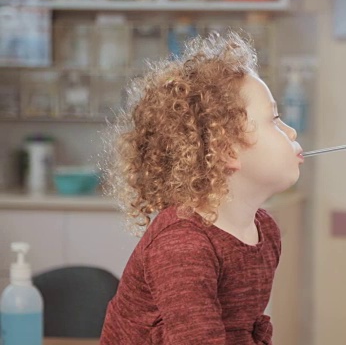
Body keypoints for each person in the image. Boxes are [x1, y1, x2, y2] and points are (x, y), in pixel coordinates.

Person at [100, 31, 303, 344]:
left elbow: (247, 331)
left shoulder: (265, 230)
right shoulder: (183, 245)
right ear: (226, 150)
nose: (290, 132)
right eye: (274, 120)